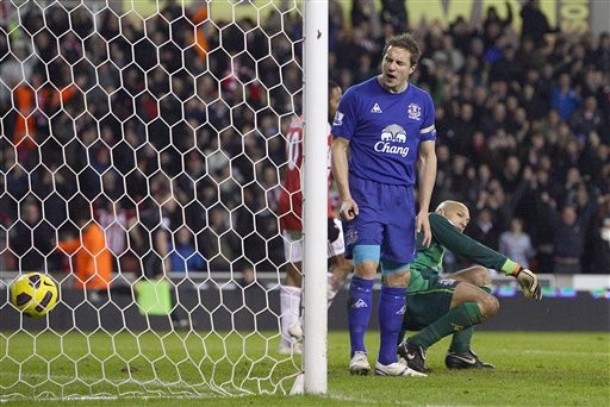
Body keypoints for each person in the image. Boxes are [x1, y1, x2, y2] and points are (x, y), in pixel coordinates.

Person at [331, 33, 437, 377]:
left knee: (399, 277)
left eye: (399, 62)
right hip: (365, 194)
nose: (392, 67)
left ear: (412, 68)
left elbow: (427, 157)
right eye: (388, 59)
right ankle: (358, 353)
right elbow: (339, 147)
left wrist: (423, 209)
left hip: (401, 199)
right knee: (365, 265)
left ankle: (387, 359)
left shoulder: (422, 103)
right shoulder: (357, 96)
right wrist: (345, 194)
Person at [396, 200, 542, 373]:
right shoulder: (434, 219)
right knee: (488, 304)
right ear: (442, 213)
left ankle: (460, 351)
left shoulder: (425, 235)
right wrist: (515, 269)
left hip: (409, 296)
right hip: (415, 293)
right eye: (459, 215)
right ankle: (415, 345)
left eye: (467, 220)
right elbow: (467, 247)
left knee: (480, 275)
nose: (465, 221)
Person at [277, 81, 353, 355]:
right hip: (310, 202)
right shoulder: (324, 130)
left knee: (295, 271)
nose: (339, 102)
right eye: (335, 99)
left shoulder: (296, 122)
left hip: (287, 199)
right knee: (346, 262)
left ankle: (288, 341)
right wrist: (328, 210)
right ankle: (305, 323)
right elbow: (319, 172)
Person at [57, 208, 112, 303]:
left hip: (95, 280)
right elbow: (76, 245)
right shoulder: (86, 236)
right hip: (86, 279)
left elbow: (96, 254)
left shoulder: (95, 235)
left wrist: (92, 271)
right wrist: (59, 246)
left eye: (81, 223)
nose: (80, 225)